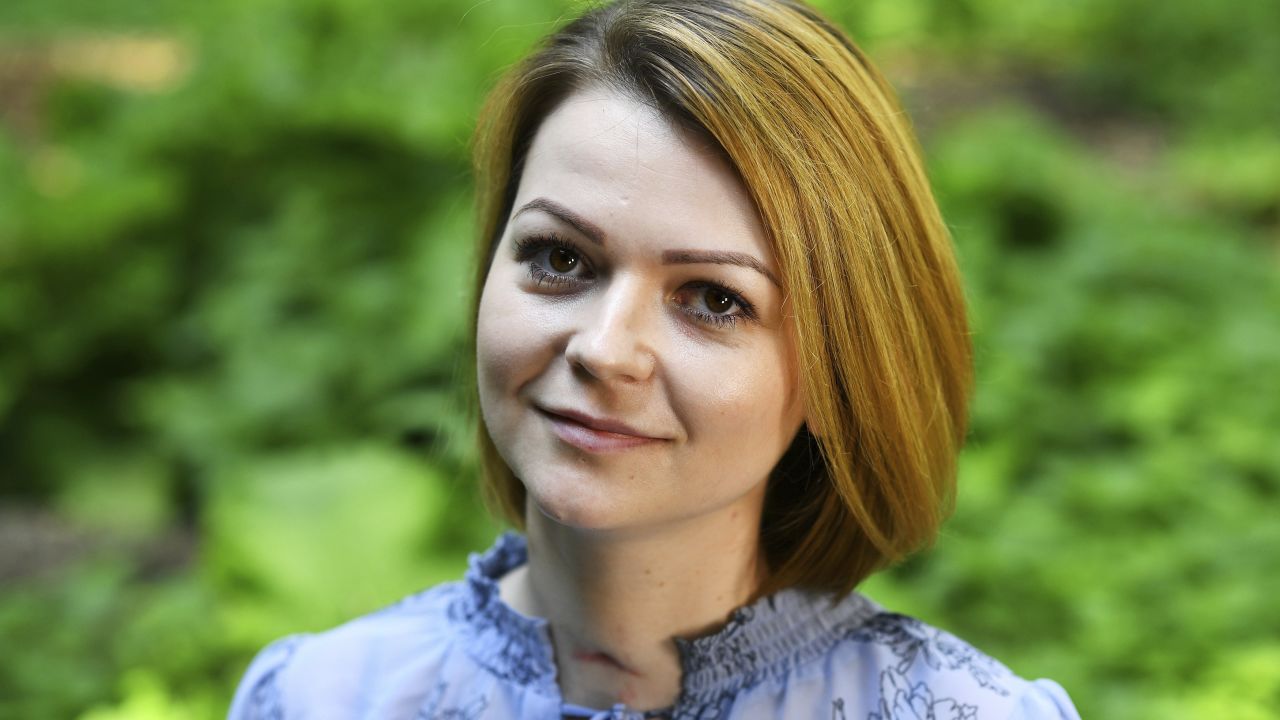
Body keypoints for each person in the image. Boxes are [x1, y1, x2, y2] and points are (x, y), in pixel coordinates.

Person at [229, 1, 1081, 718]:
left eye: (714, 298)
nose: (604, 348)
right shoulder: (321, 698)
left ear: (838, 370)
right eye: (561, 258)